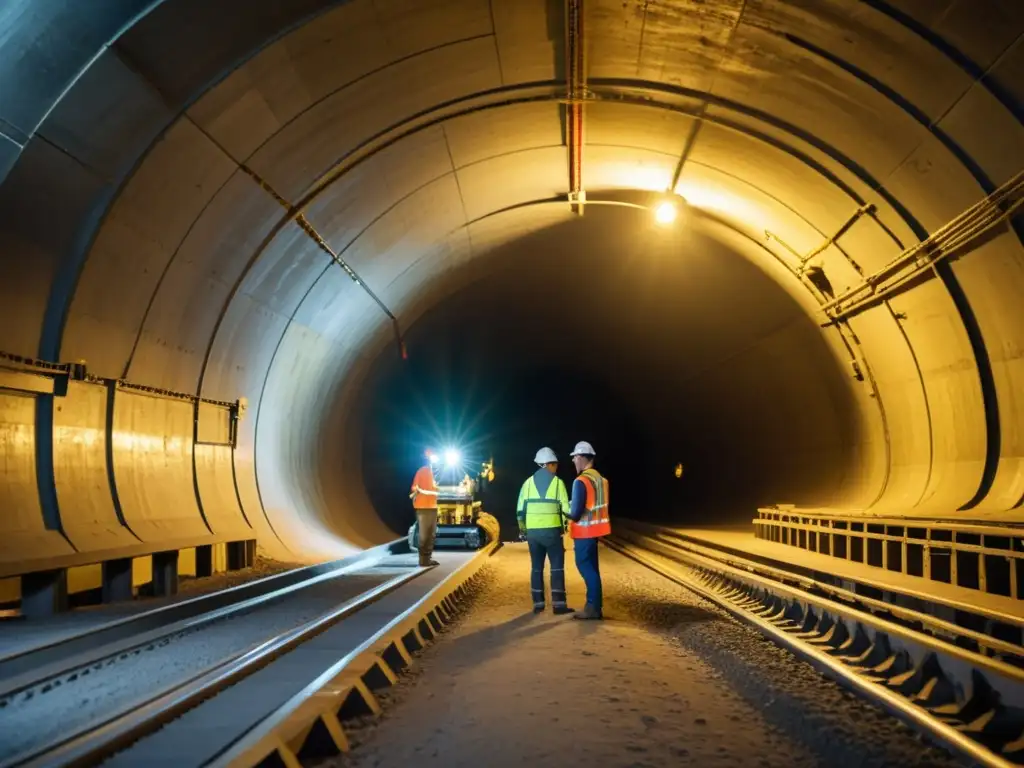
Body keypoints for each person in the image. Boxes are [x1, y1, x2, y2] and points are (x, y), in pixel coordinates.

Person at [517, 447, 574, 614]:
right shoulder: (558, 483)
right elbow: (565, 509)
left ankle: (538, 603)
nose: (556, 467)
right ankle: (559, 605)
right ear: (547, 464)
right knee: (556, 567)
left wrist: (523, 529)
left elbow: (520, 511)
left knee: (536, 567)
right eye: (554, 464)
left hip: (533, 533)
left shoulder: (527, 484)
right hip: (552, 532)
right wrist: (566, 526)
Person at [567, 441, 610, 620]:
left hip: (584, 532)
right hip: (596, 530)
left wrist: (566, 512)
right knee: (593, 569)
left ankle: (592, 608)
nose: (574, 461)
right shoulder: (601, 480)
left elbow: (576, 514)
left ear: (583, 458)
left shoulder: (581, 481)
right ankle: (595, 606)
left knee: (585, 567)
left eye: (575, 457)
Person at [409, 448, 440, 567]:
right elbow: (415, 487)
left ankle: (426, 559)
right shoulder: (423, 471)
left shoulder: (431, 472)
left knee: (430, 534)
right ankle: (423, 560)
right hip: (424, 507)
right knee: (425, 534)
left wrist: (435, 490)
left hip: (431, 506)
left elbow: (431, 488)